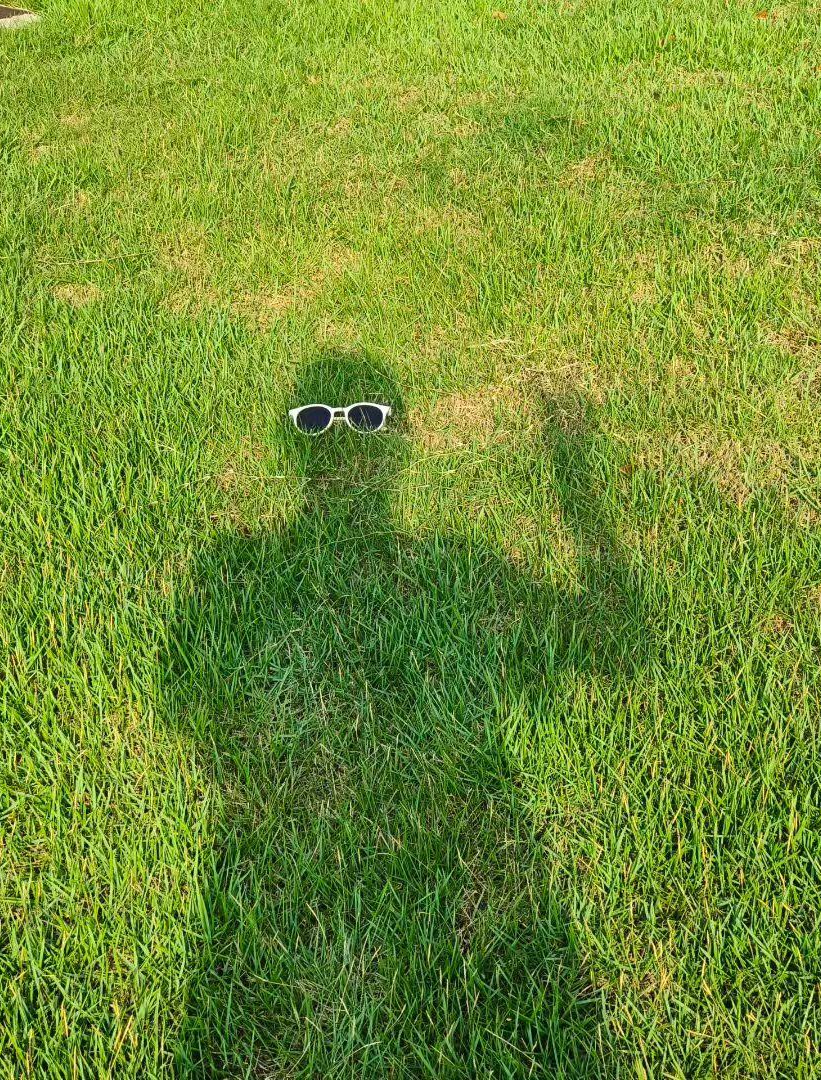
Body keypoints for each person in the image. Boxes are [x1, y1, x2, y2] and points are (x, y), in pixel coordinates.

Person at [164, 350, 641, 1076]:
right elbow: (618, 649)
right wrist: (588, 523)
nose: (349, 442)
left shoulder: (228, 564)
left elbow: (183, 703)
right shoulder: (453, 558)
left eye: (364, 419)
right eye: (325, 420)